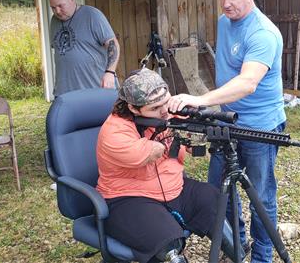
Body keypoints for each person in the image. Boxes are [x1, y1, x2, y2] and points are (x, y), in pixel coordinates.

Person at [168, 0, 286, 263]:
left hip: (260, 126)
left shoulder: (263, 33)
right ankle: (237, 243)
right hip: (227, 123)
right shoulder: (224, 22)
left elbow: (247, 83)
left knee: (260, 196)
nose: (226, 3)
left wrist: (200, 100)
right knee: (219, 191)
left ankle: (262, 256)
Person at [96, 68, 241, 263]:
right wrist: (177, 132)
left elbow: (195, 138)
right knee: (168, 241)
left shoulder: (165, 115)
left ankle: (238, 256)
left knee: (212, 200)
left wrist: (202, 127)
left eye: (166, 103)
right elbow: (153, 150)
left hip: (174, 188)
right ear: (133, 108)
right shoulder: (114, 131)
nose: (164, 112)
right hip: (128, 198)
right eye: (155, 108)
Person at [48, 0, 120, 97]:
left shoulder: (92, 15)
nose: (57, 11)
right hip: (64, 94)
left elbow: (112, 44)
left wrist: (110, 72)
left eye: (60, 6)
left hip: (94, 90)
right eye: (53, 8)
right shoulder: (54, 21)